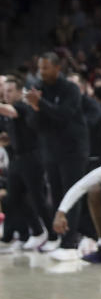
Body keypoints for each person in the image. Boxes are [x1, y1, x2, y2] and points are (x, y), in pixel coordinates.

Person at [24, 52, 89, 252]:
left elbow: (64, 116)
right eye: (39, 68)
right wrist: (35, 109)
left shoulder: (70, 89)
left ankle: (70, 241)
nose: (41, 72)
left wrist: (40, 104)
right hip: (51, 150)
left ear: (57, 68)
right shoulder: (39, 89)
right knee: (57, 194)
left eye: (45, 68)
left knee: (72, 193)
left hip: (73, 150)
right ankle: (59, 238)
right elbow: (33, 124)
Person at [0, 75, 48, 252]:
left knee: (37, 198)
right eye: (5, 92)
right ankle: (35, 231)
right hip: (17, 159)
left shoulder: (21, 105)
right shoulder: (9, 111)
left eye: (10, 91)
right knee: (13, 198)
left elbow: (11, 111)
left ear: (20, 92)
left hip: (32, 157)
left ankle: (50, 233)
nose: (7, 94)